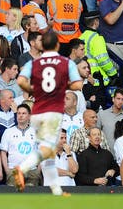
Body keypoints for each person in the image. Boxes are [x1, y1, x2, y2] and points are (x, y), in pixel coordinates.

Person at [12, 31, 83, 195]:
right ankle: (21, 169)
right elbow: (78, 84)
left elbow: (21, 80)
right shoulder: (65, 62)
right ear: (57, 45)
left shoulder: (34, 62)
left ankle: (55, 190)